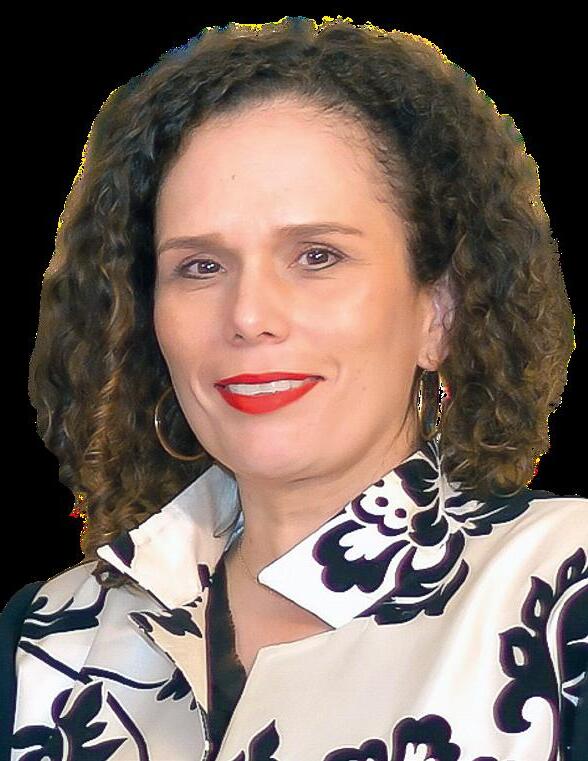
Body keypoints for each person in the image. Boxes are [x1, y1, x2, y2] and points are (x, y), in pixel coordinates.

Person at [1, 15, 586, 761]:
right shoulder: (46, 640)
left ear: (439, 312)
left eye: (317, 256)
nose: (249, 316)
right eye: (201, 266)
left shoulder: (566, 591)